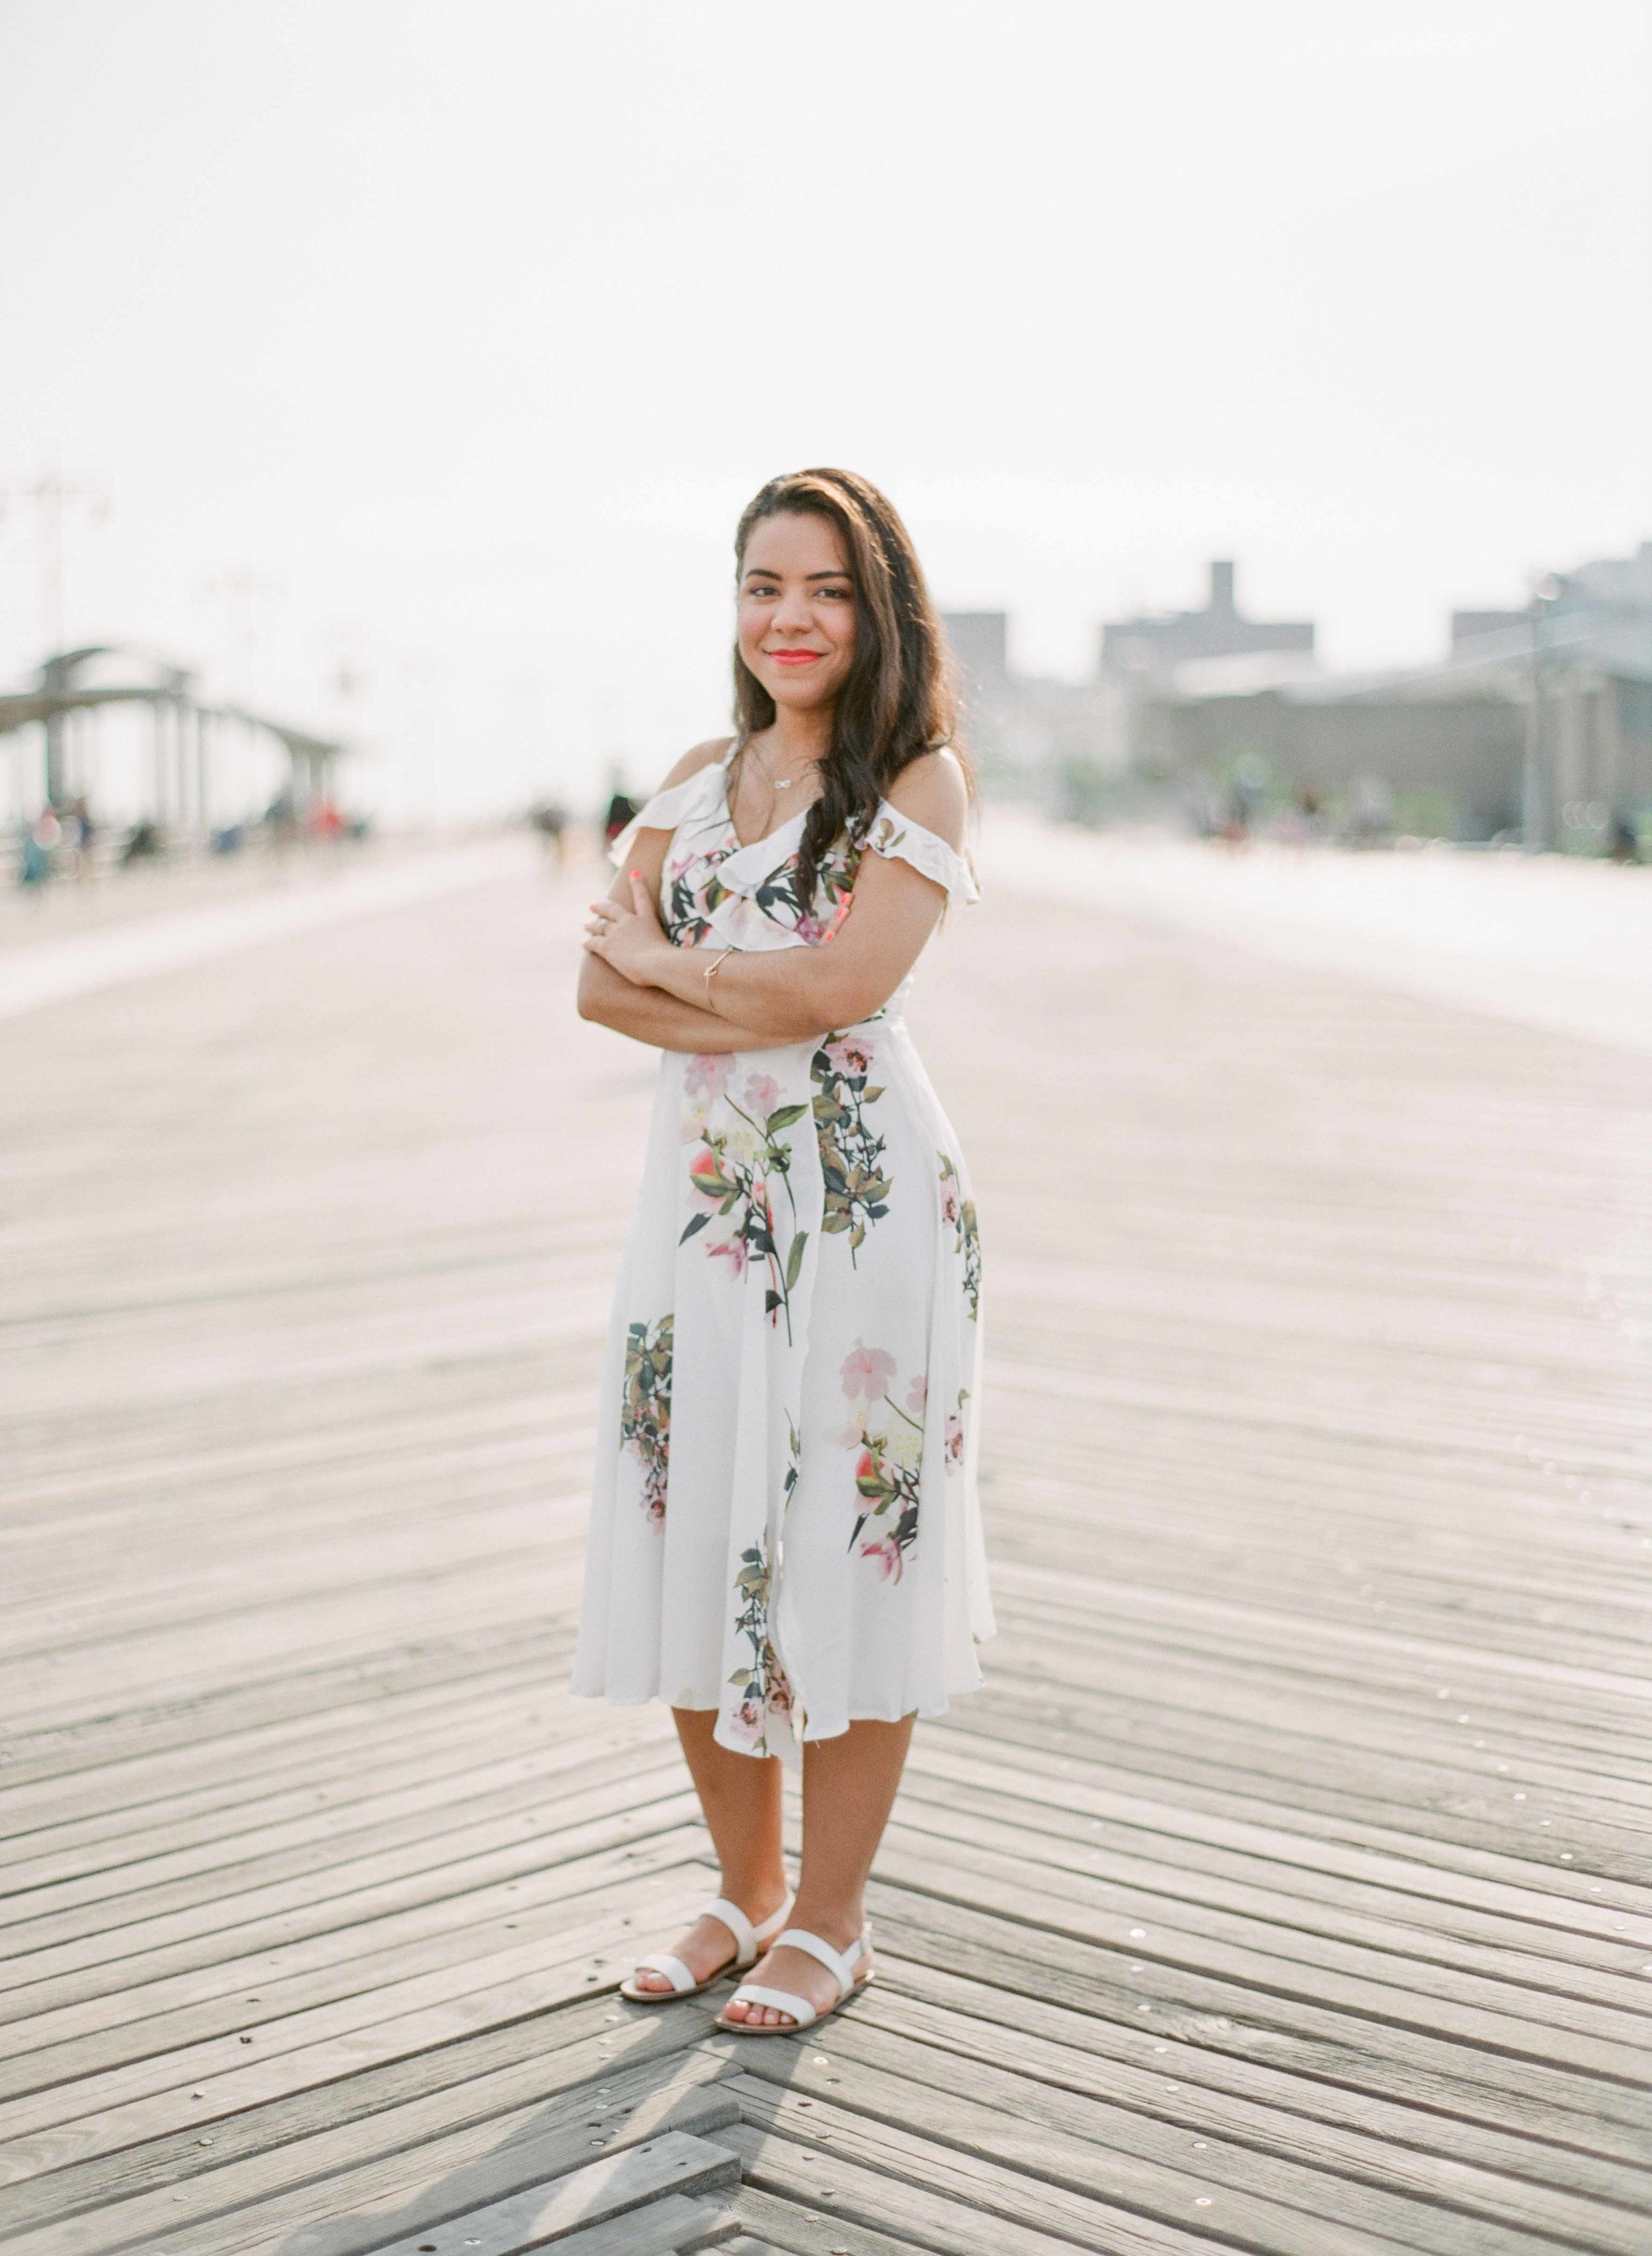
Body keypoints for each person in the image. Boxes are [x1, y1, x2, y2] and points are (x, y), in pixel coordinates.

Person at [574, 467, 993, 2035]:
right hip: (698, 1215)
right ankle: (741, 1892)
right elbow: (592, 997)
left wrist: (681, 963)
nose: (789, 618)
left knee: (848, 1545)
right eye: (763, 585)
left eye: (822, 589)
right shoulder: (693, 779)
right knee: (693, 1522)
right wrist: (742, 981)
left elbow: (839, 991)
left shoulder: (918, 783)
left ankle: (832, 1917)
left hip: (866, 1210)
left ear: (874, 607)